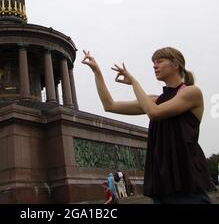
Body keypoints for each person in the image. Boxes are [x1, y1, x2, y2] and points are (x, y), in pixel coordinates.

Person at [82, 47, 215, 204]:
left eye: (159, 61)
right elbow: (110, 105)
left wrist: (134, 82)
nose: (154, 66)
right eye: (153, 62)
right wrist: (96, 71)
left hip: (187, 185)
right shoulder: (155, 99)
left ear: (175, 64)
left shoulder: (192, 92)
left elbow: (154, 112)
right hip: (162, 186)